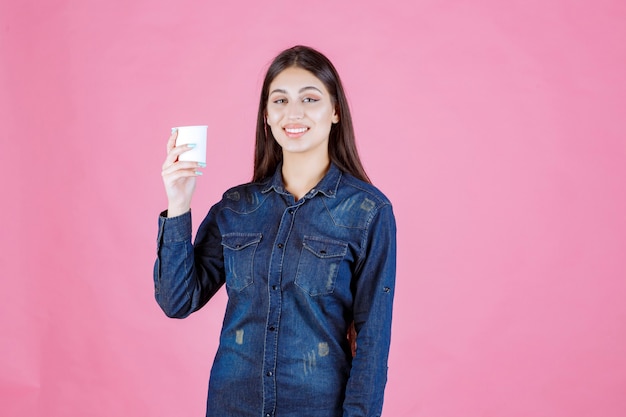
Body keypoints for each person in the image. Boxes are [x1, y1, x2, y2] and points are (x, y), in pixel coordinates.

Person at [155, 45, 397, 417]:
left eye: (310, 98)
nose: (293, 112)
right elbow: (177, 300)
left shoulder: (367, 211)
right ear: (266, 116)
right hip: (232, 405)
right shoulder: (237, 207)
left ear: (334, 111)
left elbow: (372, 341)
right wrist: (179, 204)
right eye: (280, 100)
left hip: (317, 407)